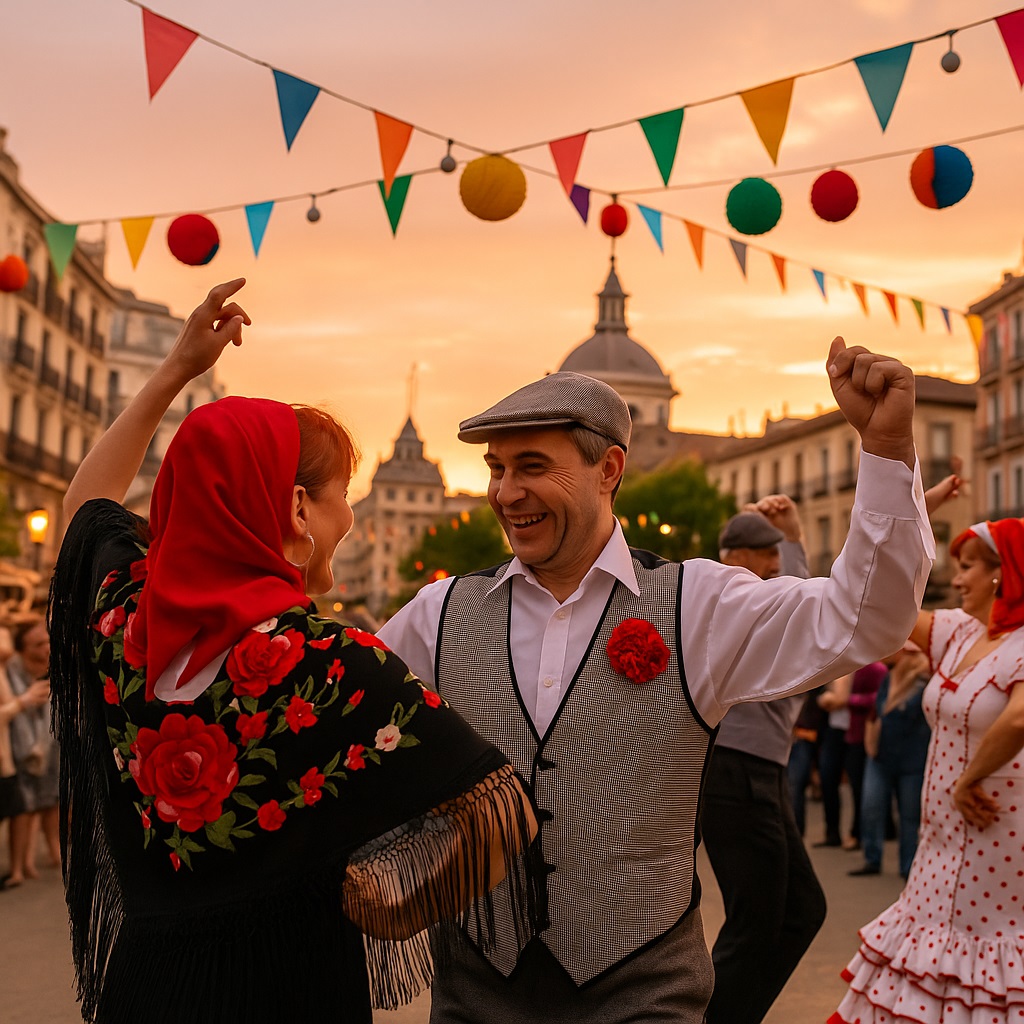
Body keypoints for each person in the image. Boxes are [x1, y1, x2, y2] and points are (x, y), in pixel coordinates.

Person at [378, 340, 934, 1024]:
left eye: (531, 467)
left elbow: (865, 619)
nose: (505, 491)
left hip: (644, 998)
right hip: (474, 998)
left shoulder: (697, 603)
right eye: (496, 469)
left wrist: (885, 448)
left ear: (608, 468)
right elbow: (336, 727)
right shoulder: (436, 615)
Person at [48, 280, 537, 1024]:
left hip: (145, 992)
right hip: (294, 992)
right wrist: (400, 912)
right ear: (297, 510)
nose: (350, 516)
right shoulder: (329, 666)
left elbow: (84, 512)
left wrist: (176, 370)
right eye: (343, 494)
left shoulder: (125, 629)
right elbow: (503, 810)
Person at [831, 512, 1024, 1023]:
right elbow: (883, 612)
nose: (957, 578)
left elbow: (1021, 717)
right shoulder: (959, 633)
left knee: (986, 953)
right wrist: (900, 515)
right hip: (943, 831)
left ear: (1002, 573)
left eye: (967, 567)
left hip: (997, 830)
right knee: (932, 948)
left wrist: (968, 781)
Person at [700, 498, 826, 1024]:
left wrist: (791, 539)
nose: (775, 575)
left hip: (759, 771)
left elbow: (799, 607)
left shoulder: (760, 599)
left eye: (777, 565)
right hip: (736, 769)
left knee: (800, 912)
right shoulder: (725, 607)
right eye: (765, 563)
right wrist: (792, 541)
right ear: (735, 560)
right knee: (757, 924)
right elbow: (795, 612)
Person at [847, 641, 931, 879]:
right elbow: (878, 709)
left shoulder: (923, 683)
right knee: (871, 807)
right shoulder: (889, 679)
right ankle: (872, 859)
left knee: (909, 816)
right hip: (881, 755)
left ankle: (908, 866)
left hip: (912, 759)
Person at [6, 617, 59, 883]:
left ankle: (50, 853)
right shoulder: (10, 672)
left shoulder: (54, 667)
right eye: (38, 644)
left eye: (47, 641)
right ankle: (21, 864)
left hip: (48, 742)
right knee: (24, 805)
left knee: (51, 799)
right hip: (17, 743)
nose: (45, 648)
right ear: (23, 648)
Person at [0, 624, 49, 889]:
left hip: (7, 757)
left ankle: (21, 865)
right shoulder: (9, 672)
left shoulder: (7, 672)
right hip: (6, 755)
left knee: (23, 810)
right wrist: (23, 702)